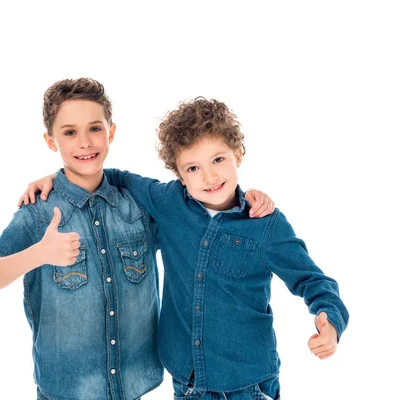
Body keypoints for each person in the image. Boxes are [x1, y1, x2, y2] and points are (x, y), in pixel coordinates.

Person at [19, 97, 349, 400]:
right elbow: (111, 177)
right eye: (193, 168)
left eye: (218, 159)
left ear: (238, 155)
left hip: (248, 383)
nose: (209, 176)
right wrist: (56, 178)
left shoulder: (265, 224)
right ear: (179, 174)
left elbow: (314, 281)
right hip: (187, 381)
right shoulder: (168, 202)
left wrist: (329, 320)